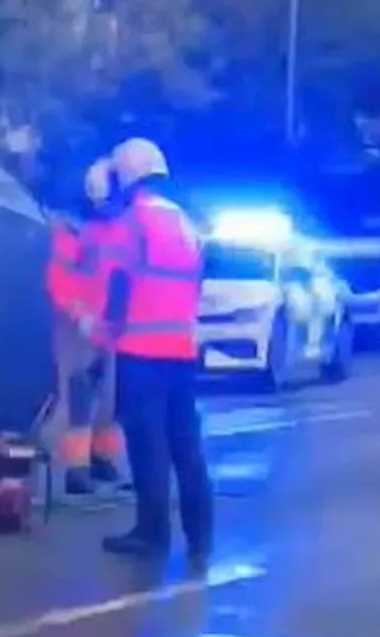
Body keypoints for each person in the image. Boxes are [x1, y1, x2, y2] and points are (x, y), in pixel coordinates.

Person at [96, 138, 213, 561]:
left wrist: (107, 329)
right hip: (181, 351)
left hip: (141, 351)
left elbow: (118, 285)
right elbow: (195, 284)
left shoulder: (133, 222)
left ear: (127, 176)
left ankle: (152, 533)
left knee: (148, 447)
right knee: (186, 446)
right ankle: (200, 536)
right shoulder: (186, 222)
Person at [59, 157, 127, 496]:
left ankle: (102, 459)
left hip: (106, 326)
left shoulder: (115, 230)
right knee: (81, 398)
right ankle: (77, 469)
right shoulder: (71, 231)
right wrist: (81, 316)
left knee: (110, 399)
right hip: (78, 328)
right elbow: (59, 281)